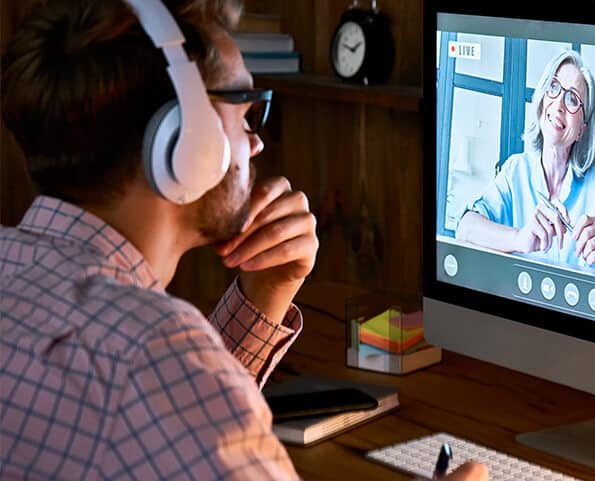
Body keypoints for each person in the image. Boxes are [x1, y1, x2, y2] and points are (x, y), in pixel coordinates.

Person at [0, 1, 487, 480]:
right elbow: (160, 393)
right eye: (244, 111)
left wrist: (266, 294)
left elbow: (168, 433)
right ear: (187, 142)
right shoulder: (151, 355)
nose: (256, 143)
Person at [455, 50, 595, 280]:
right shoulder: (516, 171)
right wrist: (519, 238)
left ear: (582, 129)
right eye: (553, 87)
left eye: (572, 99)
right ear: (542, 100)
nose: (559, 104)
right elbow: (466, 228)